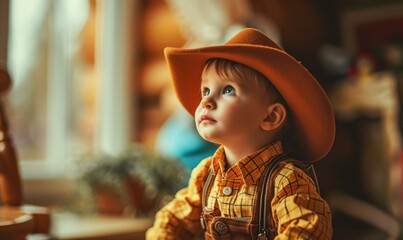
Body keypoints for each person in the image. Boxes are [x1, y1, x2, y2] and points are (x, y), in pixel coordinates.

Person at [146, 28, 335, 239]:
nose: (206, 101)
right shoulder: (206, 175)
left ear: (270, 117)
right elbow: (172, 220)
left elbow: (307, 232)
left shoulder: (285, 181)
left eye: (228, 90)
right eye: (206, 90)